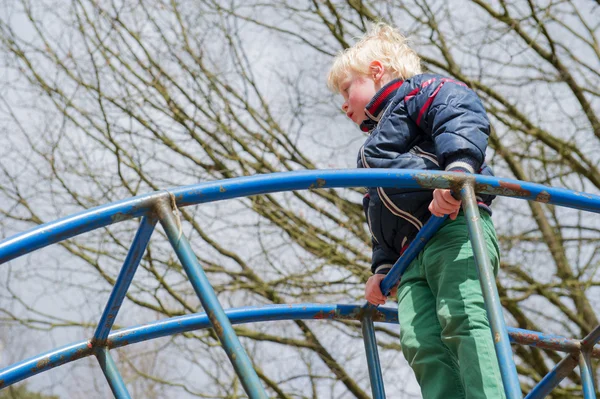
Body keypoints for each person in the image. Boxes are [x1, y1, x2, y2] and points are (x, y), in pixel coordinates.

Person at [327, 23, 506, 399]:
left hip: (453, 228)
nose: (344, 103)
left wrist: (457, 172)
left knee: (465, 318)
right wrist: (382, 266)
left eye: (346, 90)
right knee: (420, 341)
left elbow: (460, 116)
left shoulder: (421, 92)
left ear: (377, 71)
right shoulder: (372, 151)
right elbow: (378, 212)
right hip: (409, 259)